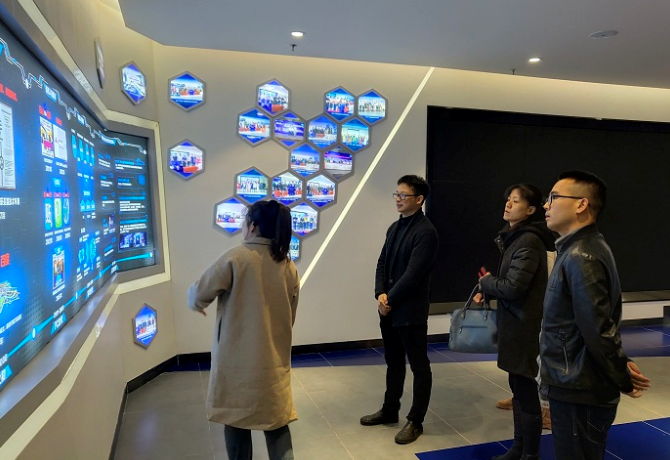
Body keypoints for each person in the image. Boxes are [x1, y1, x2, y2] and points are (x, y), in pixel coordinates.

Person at [540, 171, 651, 460]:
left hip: (578, 388)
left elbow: (597, 328)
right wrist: (620, 366)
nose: (546, 205)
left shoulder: (581, 255)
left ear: (581, 204)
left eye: (554, 197)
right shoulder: (579, 249)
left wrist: (621, 376)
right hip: (576, 382)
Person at [187, 199, 300, 460]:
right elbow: (290, 316)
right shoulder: (288, 266)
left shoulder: (236, 258)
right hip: (273, 362)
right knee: (277, 424)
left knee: (236, 422)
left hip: (235, 363)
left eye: (244, 221)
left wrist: (196, 304)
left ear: (253, 226)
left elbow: (198, 294)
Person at [475, 184, 556, 460]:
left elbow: (513, 287)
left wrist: (487, 283)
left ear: (531, 210)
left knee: (525, 392)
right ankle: (519, 449)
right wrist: (488, 288)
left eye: (516, 201)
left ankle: (529, 454)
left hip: (523, 326)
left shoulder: (528, 240)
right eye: (508, 199)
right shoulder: (515, 237)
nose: (508, 204)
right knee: (518, 390)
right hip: (514, 323)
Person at [360, 175, 439, 445]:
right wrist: (380, 294)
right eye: (396, 194)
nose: (398, 199)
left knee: (419, 366)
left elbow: (413, 275)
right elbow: (382, 262)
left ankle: (416, 420)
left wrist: (389, 299)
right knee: (393, 362)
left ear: (419, 199)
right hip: (389, 308)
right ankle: (389, 409)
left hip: (410, 310)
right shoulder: (395, 227)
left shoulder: (426, 232)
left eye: (404, 195)